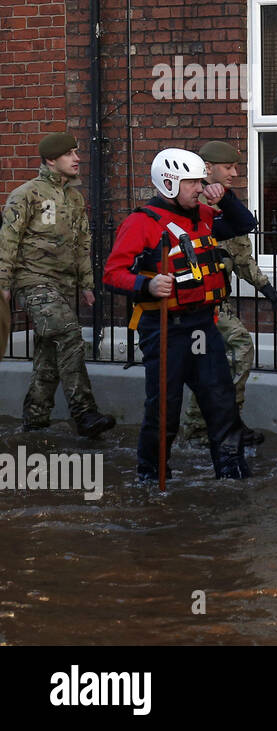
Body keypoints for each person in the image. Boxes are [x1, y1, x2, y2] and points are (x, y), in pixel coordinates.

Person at [103, 147, 257, 480]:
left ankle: (232, 472)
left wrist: (225, 196)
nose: (200, 188)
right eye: (193, 183)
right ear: (170, 183)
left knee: (221, 400)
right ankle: (152, 474)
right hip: (165, 328)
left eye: (201, 182)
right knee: (164, 408)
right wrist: (146, 286)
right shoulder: (140, 222)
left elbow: (245, 223)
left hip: (202, 326)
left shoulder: (202, 214)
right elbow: (112, 273)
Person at [0, 133, 114, 438]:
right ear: (52, 160)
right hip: (32, 281)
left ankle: (34, 421)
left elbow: (82, 244)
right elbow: (8, 240)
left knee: (50, 354)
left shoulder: (74, 198)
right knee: (68, 333)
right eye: (70, 154)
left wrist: (87, 284)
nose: (77, 159)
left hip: (62, 286)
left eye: (77, 153)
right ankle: (85, 412)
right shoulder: (26, 194)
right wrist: (4, 283)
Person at [177, 140, 277, 449]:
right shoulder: (190, 205)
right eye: (229, 167)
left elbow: (242, 247)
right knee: (240, 349)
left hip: (219, 301)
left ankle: (202, 428)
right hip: (196, 303)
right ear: (208, 169)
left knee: (213, 364)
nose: (235, 173)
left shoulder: (225, 205)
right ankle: (222, 424)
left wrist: (264, 286)